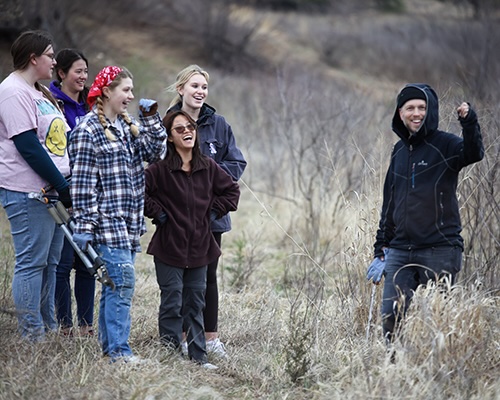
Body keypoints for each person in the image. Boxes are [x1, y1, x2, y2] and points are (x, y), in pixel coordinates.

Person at [367, 83, 484, 344]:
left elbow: (474, 153)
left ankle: (436, 375)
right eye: (410, 108)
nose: (416, 113)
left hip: (440, 248)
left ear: (430, 111)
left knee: (439, 322)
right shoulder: (398, 151)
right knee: (390, 318)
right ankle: (394, 372)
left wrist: (469, 122)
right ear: (400, 113)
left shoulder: (446, 144)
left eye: (422, 107)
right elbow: (389, 203)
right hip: (399, 251)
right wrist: (380, 248)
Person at [68, 65, 166, 363]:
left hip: (128, 223)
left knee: (114, 287)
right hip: (106, 223)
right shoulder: (88, 131)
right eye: (125, 90)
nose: (131, 96)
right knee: (122, 285)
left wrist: (150, 119)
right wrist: (83, 225)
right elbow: (82, 184)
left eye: (132, 91)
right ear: (107, 91)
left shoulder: (126, 127)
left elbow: (155, 152)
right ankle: (120, 352)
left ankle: (112, 351)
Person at [144, 109, 240, 369]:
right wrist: (159, 214)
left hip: (200, 247)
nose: (187, 131)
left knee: (195, 302)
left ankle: (199, 358)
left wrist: (212, 213)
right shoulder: (160, 169)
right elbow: (139, 192)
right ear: (170, 137)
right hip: (168, 246)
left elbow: (232, 190)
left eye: (190, 127)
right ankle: (170, 355)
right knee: (172, 301)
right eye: (179, 129)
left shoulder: (208, 166)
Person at [166, 65, 246, 357]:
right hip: (178, 215)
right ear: (181, 89)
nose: (200, 92)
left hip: (212, 215)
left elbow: (236, 163)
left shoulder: (219, 124)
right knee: (182, 278)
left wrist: (207, 177)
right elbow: (160, 166)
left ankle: (211, 338)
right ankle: (185, 336)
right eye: (194, 86)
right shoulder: (169, 122)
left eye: (204, 87)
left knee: (208, 276)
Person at [0, 30, 72, 341]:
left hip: (52, 191)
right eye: (50, 55)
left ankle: (47, 327)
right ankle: (32, 335)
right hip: (29, 191)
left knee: (50, 262)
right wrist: (60, 184)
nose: (54, 61)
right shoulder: (13, 91)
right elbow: (27, 145)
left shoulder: (39, 91)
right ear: (33, 59)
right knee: (32, 262)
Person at [49, 48, 95, 337]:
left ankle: (87, 325)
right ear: (62, 73)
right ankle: (65, 325)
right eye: (77, 71)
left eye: (86, 72)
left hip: (89, 192)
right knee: (64, 262)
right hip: (62, 191)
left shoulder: (92, 106)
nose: (83, 77)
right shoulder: (52, 105)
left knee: (88, 261)